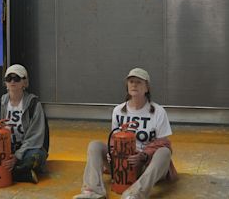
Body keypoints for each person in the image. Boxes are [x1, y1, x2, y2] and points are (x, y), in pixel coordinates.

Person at [73, 68, 177, 199]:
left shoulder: (158, 111)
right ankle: (94, 191)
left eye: (138, 82)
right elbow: (114, 139)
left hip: (146, 166)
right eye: (131, 82)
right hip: (121, 166)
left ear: (147, 88)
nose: (134, 85)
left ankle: (135, 194)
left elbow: (164, 142)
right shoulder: (119, 110)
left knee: (165, 152)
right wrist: (112, 152)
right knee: (95, 145)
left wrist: (143, 156)